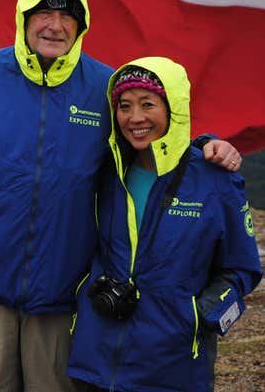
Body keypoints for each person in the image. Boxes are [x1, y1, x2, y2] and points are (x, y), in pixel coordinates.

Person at [0, 0, 243, 392]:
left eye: (67, 15)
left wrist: (204, 146)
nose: (55, 25)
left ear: (82, 23)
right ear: (23, 16)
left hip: (64, 293)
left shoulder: (104, 88)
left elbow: (147, 135)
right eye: (44, 13)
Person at [67, 57, 262, 392]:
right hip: (95, 361)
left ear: (173, 108)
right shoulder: (105, 172)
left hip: (173, 367)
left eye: (148, 104)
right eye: (124, 106)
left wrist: (200, 316)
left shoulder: (216, 179)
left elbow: (243, 269)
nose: (135, 118)